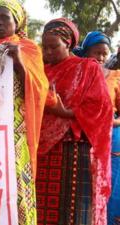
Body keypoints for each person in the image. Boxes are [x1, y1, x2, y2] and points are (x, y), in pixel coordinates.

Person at [36, 19, 112, 225]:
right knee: (41, 209)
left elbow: (101, 109)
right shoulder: (40, 71)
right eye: (45, 47)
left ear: (68, 43)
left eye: (54, 47)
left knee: (73, 212)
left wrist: (65, 112)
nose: (48, 52)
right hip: (41, 152)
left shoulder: (88, 68)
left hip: (73, 151)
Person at [0, 1, 50, 224]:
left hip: (16, 128)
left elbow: (39, 88)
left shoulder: (29, 48)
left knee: (16, 179)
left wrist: (18, 62)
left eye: (4, 18)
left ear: (17, 21)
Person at [73, 31, 120, 224]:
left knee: (112, 189)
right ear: (86, 52)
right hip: (84, 138)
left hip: (112, 142)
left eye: (105, 53)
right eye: (96, 52)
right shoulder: (77, 74)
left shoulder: (116, 76)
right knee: (85, 189)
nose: (101, 58)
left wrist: (110, 120)